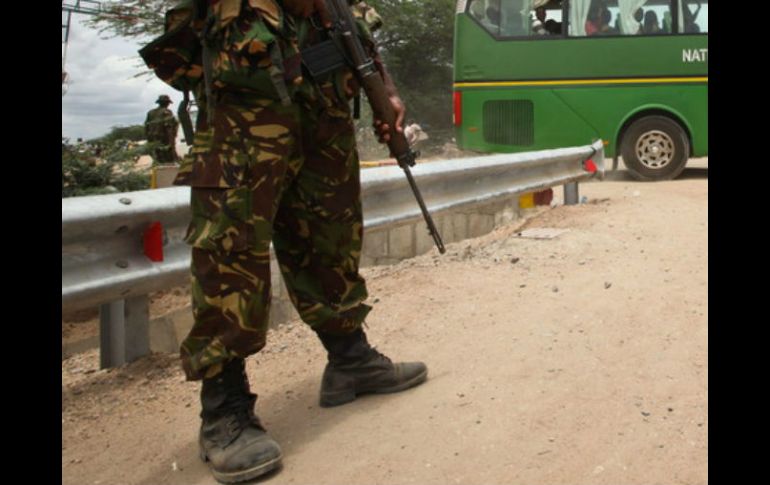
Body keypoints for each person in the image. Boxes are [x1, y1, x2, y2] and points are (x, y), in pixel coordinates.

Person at [143, 0, 428, 483]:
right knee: (230, 259)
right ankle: (224, 408)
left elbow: (362, 43)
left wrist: (388, 94)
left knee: (331, 242)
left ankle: (350, 359)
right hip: (243, 130)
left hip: (324, 121)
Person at [143, 94, 179, 163]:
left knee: (158, 161)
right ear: (167, 103)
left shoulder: (150, 113)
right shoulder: (167, 112)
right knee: (169, 162)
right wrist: (172, 145)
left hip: (153, 141)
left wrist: (149, 141)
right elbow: (169, 129)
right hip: (164, 141)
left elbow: (146, 128)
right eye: (168, 103)